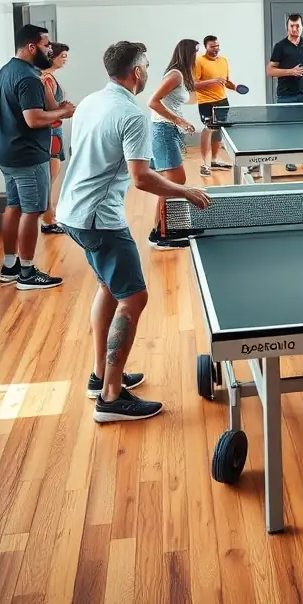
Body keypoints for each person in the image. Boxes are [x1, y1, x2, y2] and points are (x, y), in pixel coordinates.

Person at [56, 41, 211, 423]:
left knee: (110, 289)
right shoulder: (131, 114)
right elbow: (141, 177)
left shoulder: (92, 100)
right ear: (137, 71)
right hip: (100, 220)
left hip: (72, 211)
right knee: (135, 298)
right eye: (145, 64)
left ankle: (101, 375)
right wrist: (185, 191)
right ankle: (110, 397)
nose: (147, 70)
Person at [0, 24, 75, 290]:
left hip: (7, 154)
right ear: (31, 46)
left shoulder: (8, 70)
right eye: (46, 45)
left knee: (13, 206)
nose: (50, 49)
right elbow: (34, 119)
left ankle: (10, 265)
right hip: (28, 156)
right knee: (33, 210)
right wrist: (62, 114)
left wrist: (53, 101)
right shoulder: (27, 78)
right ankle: (27, 272)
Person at [148, 38, 199, 250]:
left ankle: (162, 229)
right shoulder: (175, 75)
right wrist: (179, 120)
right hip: (164, 131)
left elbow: (188, 97)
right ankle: (162, 234)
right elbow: (153, 101)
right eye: (195, 52)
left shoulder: (181, 75)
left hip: (170, 131)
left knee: (172, 183)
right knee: (174, 182)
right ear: (187, 53)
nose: (197, 56)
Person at [267, 13, 303, 171]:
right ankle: (289, 159)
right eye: (292, 25)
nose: (295, 28)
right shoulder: (280, 46)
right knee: (288, 129)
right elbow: (270, 70)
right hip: (286, 95)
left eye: (297, 25)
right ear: (287, 26)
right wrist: (291, 72)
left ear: (302, 26)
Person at [194, 35, 238, 176]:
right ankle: (204, 164)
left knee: (218, 131)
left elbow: (225, 81)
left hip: (222, 101)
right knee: (208, 130)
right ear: (205, 47)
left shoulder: (224, 61)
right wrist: (213, 80)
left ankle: (213, 161)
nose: (216, 49)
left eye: (217, 46)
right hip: (206, 102)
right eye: (212, 46)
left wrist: (235, 87)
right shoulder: (199, 61)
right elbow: (193, 84)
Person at [39, 41, 71, 236]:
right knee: (49, 178)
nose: (65, 59)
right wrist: (64, 109)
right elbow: (52, 109)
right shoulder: (46, 79)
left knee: (51, 176)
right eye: (62, 56)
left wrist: (62, 107)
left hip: (55, 130)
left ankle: (49, 217)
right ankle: (48, 220)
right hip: (51, 131)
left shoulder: (50, 78)